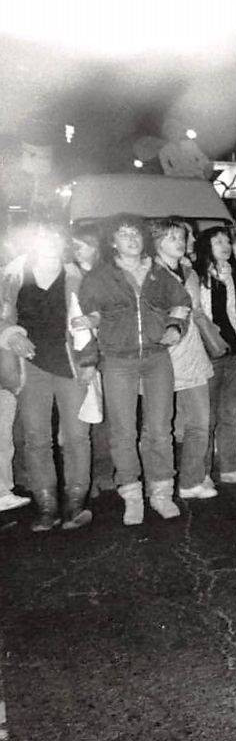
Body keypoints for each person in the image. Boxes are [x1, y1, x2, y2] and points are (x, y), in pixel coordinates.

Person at [78, 212, 192, 524]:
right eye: (124, 234)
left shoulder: (158, 272)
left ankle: (161, 493)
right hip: (117, 360)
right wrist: (90, 323)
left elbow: (182, 303)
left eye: (136, 233)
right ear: (112, 241)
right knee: (123, 431)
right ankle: (131, 495)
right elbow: (92, 314)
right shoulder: (99, 277)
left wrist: (175, 326)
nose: (132, 238)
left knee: (159, 429)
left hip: (157, 358)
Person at [0, 225, 94, 530]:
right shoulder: (13, 275)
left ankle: (76, 504)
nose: (49, 242)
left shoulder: (78, 275)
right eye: (42, 237)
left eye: (54, 238)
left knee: (77, 437)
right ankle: (47, 507)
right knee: (36, 439)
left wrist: (91, 356)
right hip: (31, 365)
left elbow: (97, 314)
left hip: (70, 363)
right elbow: (3, 316)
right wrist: (11, 335)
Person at [152, 220, 215, 501]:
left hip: (192, 353)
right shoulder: (148, 273)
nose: (180, 241)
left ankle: (190, 480)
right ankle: (157, 485)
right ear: (157, 242)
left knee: (201, 422)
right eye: (172, 237)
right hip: (162, 355)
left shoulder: (190, 272)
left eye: (182, 237)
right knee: (158, 427)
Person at [198, 226, 236, 485]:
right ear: (206, 246)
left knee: (232, 413)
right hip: (210, 350)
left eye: (226, 241)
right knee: (206, 415)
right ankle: (203, 470)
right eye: (217, 241)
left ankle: (229, 466)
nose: (225, 245)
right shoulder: (198, 276)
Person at [69, 222, 117, 495]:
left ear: (95, 247)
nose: (75, 251)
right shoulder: (70, 275)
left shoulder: (108, 275)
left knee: (107, 415)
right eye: (73, 246)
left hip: (108, 351)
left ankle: (104, 470)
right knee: (82, 415)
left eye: (80, 245)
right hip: (78, 351)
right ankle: (85, 475)